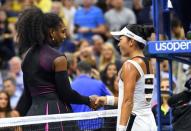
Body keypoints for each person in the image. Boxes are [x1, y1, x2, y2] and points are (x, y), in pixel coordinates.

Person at [15, 7, 96, 131]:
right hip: (57, 116)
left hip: (32, 118)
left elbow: (27, 95)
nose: (65, 36)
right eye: (63, 31)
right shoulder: (58, 58)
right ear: (52, 32)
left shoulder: (26, 58)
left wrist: (19, 116)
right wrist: (88, 100)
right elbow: (66, 94)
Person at [95, 24, 157, 131]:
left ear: (131, 41)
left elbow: (128, 101)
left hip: (135, 125)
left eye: (121, 40)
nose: (118, 44)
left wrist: (121, 128)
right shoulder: (148, 63)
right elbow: (135, 100)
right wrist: (107, 100)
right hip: (148, 123)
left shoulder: (130, 65)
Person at [71, 61, 111, 131]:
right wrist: (99, 80)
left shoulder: (70, 86)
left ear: (77, 71)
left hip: (77, 126)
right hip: (97, 126)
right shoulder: (99, 83)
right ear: (91, 71)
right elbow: (112, 98)